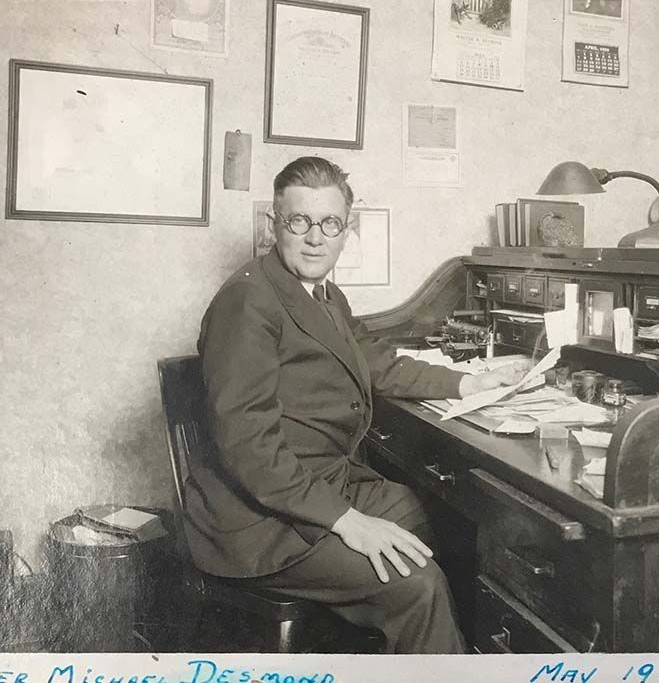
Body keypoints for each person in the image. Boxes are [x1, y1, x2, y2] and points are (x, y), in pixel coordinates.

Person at [184, 156, 526, 654]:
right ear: (273, 224)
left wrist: (471, 384)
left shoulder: (321, 294)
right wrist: (350, 522)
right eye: (299, 221)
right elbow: (250, 449)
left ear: (347, 229)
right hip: (259, 522)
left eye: (330, 223)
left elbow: (376, 361)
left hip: (317, 485)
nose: (315, 238)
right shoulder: (247, 301)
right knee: (418, 585)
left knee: (449, 525)